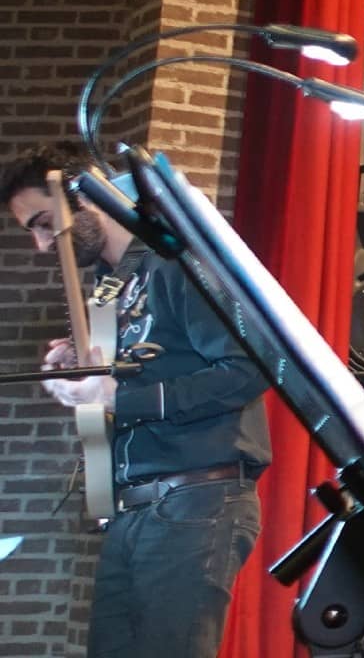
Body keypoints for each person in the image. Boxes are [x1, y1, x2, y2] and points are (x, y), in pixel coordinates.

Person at [2, 144, 271, 658]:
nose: (42, 245)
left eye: (43, 222)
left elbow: (249, 368)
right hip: (132, 505)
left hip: (196, 498)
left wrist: (116, 397)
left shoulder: (175, 262)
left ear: (83, 195)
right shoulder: (109, 287)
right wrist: (75, 370)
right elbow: (116, 383)